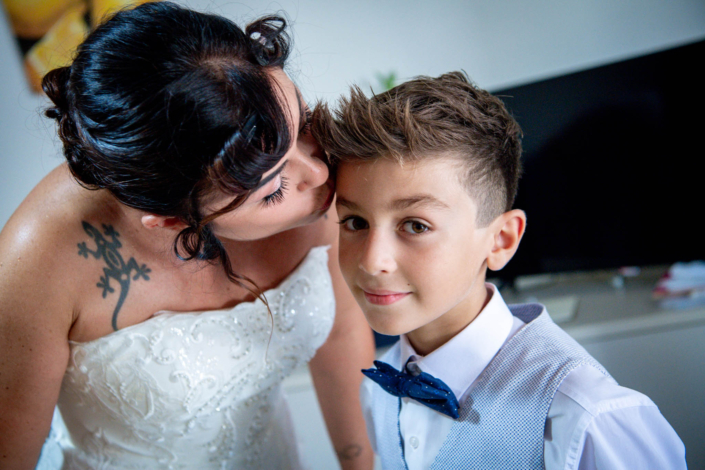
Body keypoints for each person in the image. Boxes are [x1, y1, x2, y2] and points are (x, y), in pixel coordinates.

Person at [0, 2, 375, 469]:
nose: (319, 173)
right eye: (274, 189)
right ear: (171, 219)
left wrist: (360, 464)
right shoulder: (36, 259)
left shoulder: (311, 186)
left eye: (303, 123)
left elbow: (340, 334)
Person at [311, 71, 687, 469]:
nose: (372, 261)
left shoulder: (586, 418)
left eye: (416, 226)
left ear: (501, 240)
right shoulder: (378, 390)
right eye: (355, 222)